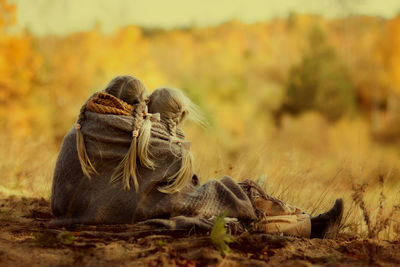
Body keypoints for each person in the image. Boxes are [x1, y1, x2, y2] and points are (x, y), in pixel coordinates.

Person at [50, 76, 343, 239]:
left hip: (77, 213)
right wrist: (168, 128)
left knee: (228, 199)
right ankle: (310, 226)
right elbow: (183, 175)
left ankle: (306, 222)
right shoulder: (135, 133)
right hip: (127, 212)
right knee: (231, 195)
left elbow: (62, 196)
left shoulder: (76, 130)